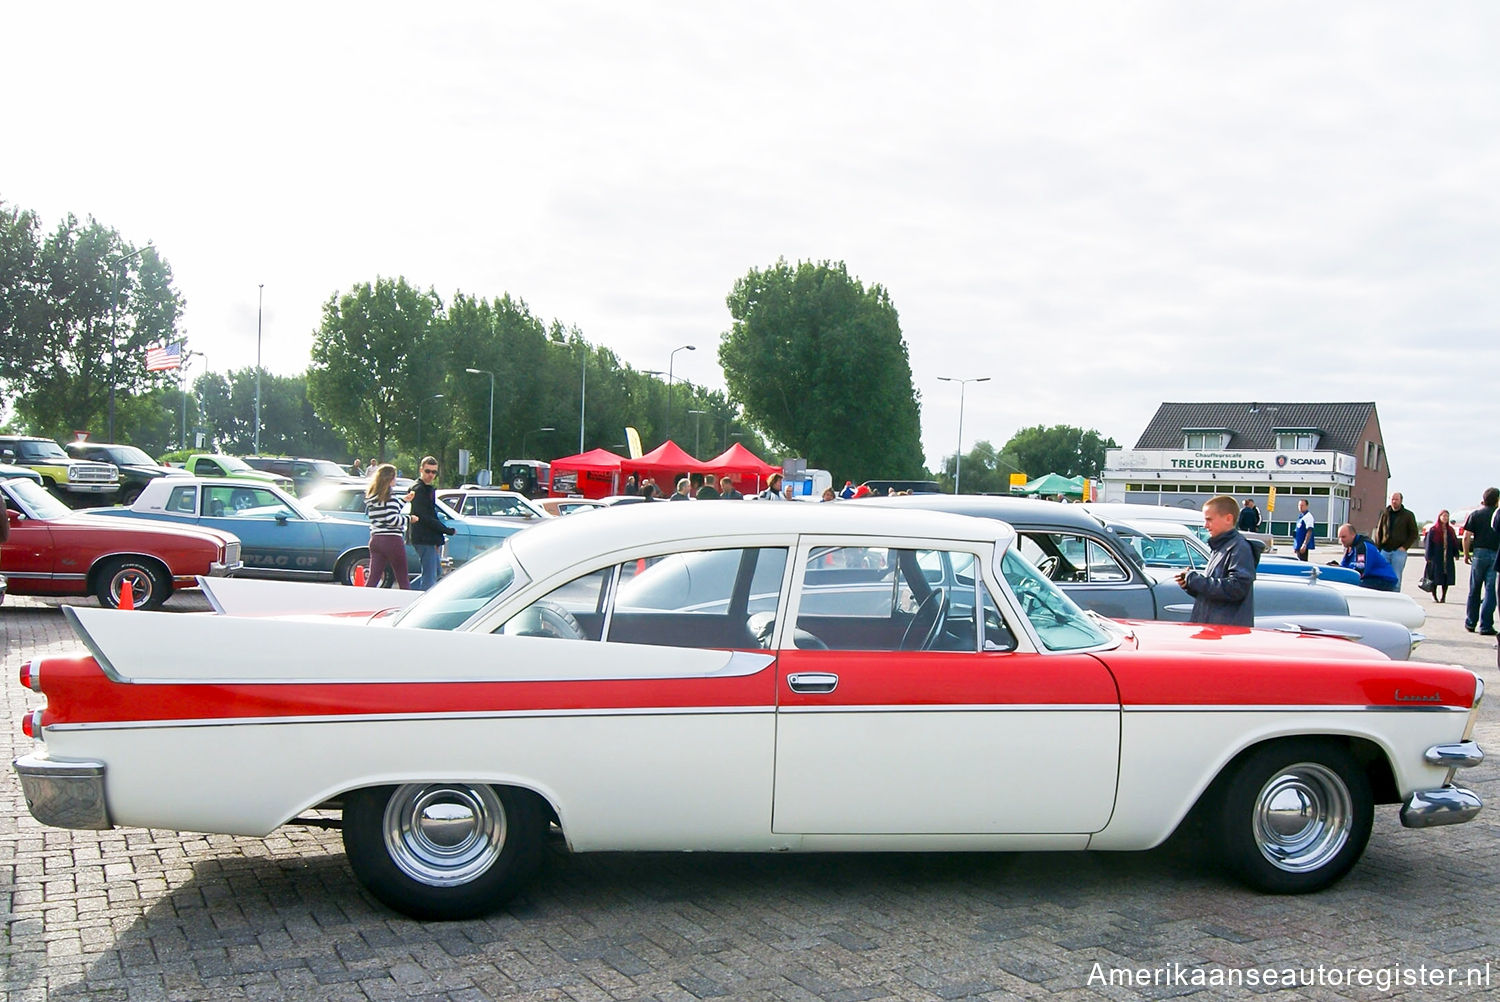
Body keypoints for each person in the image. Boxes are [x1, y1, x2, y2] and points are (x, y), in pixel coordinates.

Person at [1173, 495, 1256, 626]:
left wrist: (1195, 580)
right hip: (1213, 628)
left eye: (1209, 520)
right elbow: (1217, 592)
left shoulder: (1239, 547)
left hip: (1226, 632)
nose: (1205, 525)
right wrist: (1190, 585)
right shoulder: (1221, 547)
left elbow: (1237, 588)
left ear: (1228, 519)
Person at [406, 455, 453, 590]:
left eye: (434, 472)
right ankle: (413, 597)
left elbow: (431, 514)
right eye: (427, 471)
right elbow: (425, 516)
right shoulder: (419, 489)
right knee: (430, 577)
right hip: (423, 538)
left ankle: (407, 591)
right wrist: (445, 530)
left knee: (435, 572)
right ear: (421, 470)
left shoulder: (427, 489)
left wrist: (439, 536)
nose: (431, 475)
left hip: (428, 537)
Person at [362, 464, 408, 589]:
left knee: (373, 578)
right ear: (390, 478)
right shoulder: (391, 497)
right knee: (402, 578)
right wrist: (409, 519)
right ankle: (408, 604)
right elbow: (392, 519)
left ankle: (361, 600)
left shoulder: (373, 497)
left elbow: (386, 512)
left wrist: (404, 500)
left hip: (376, 539)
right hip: (392, 539)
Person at [1461, 487, 1499, 635]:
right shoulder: (1497, 514)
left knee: (1474, 589)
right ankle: (1486, 625)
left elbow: (1466, 536)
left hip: (1479, 553)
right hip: (1495, 553)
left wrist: (1466, 554)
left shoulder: (1475, 514)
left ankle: (1471, 622)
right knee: (1490, 591)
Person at [1372, 492, 1420, 586]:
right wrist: (1378, 547)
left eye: (1396, 499)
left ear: (1401, 501)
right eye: (1392, 499)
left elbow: (1414, 533)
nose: (1394, 501)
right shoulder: (1385, 513)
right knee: (1382, 574)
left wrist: (1405, 547)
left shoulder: (1408, 515)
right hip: (1385, 550)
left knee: (1396, 576)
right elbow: (1379, 530)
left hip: (1399, 551)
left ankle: (1395, 595)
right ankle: (1384, 594)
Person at [1334, 523, 1399, 592]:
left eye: (1343, 537)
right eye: (1339, 537)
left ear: (1353, 535)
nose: (1341, 540)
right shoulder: (1349, 547)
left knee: (1351, 586)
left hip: (1384, 580)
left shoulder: (1362, 547)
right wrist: (1337, 567)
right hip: (1370, 577)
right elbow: (1344, 566)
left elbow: (1360, 572)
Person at [1423, 510, 1459, 604]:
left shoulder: (1450, 530)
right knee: (1434, 577)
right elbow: (1428, 544)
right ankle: (1434, 595)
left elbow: (1454, 542)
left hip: (1447, 556)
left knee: (1446, 577)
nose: (1445, 518)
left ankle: (1443, 596)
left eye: (1447, 516)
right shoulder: (1434, 530)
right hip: (1436, 557)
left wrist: (1456, 553)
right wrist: (1428, 556)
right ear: (1439, 517)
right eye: (1443, 516)